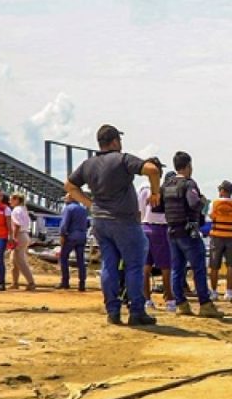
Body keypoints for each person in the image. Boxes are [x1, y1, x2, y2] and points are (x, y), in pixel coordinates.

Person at [65, 124, 162, 326]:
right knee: (134, 265)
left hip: (100, 221)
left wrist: (89, 204)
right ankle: (136, 311)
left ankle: (113, 311)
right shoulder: (122, 159)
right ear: (115, 141)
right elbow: (152, 169)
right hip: (124, 221)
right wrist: (155, 193)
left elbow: (70, 186)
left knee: (108, 264)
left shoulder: (88, 164)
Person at [162, 151, 224, 318]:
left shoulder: (167, 184)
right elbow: (194, 203)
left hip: (172, 231)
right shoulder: (189, 184)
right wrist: (203, 201)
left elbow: (158, 207)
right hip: (188, 232)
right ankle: (205, 304)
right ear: (188, 166)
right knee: (198, 268)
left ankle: (181, 303)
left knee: (177, 269)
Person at [139, 172, 174, 310]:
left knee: (145, 267)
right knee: (166, 267)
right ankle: (169, 300)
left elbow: (139, 209)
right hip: (160, 228)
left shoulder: (143, 188)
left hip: (144, 226)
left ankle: (147, 299)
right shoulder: (165, 191)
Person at [208, 180, 232, 301]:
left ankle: (214, 292)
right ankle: (229, 292)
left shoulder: (214, 203)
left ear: (222, 191)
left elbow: (210, 215)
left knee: (214, 266)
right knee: (231, 266)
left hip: (216, 237)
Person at [58, 193, 89, 291]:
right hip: (82, 236)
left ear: (71, 198)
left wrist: (62, 235)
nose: (65, 200)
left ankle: (65, 281)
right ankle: (82, 283)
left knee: (63, 257)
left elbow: (64, 224)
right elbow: (87, 223)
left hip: (71, 236)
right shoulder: (83, 209)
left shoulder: (69, 208)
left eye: (66, 198)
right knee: (81, 260)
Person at [8, 194, 36, 290]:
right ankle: (15, 282)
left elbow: (17, 225)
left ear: (16, 199)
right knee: (14, 260)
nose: (9, 201)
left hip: (19, 235)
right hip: (24, 235)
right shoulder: (23, 209)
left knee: (20, 261)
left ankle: (31, 282)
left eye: (11, 199)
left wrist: (14, 238)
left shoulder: (16, 210)